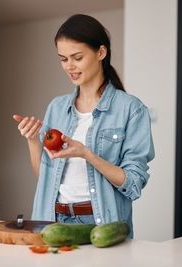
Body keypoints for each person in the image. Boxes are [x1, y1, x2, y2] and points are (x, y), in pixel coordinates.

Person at [13, 14, 154, 238]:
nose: (70, 66)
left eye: (77, 57)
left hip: (99, 224)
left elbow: (134, 184)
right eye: (63, 59)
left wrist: (87, 154)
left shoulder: (131, 109)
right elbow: (45, 178)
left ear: (101, 52)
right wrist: (32, 140)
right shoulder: (57, 107)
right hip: (51, 219)